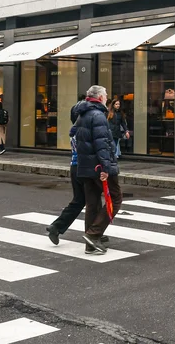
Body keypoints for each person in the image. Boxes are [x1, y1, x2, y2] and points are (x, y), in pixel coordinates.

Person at [46, 100, 109, 253]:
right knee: (94, 199)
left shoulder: (74, 129)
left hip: (74, 166)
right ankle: (95, 233)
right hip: (85, 167)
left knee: (80, 200)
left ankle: (57, 227)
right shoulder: (83, 129)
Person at [75, 85, 121, 254]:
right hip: (99, 166)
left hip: (85, 165)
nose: (107, 97)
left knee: (92, 203)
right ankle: (94, 234)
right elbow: (103, 144)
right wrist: (106, 167)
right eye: (106, 94)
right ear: (100, 97)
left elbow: (74, 135)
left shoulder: (82, 115)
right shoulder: (98, 116)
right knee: (115, 199)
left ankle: (90, 243)